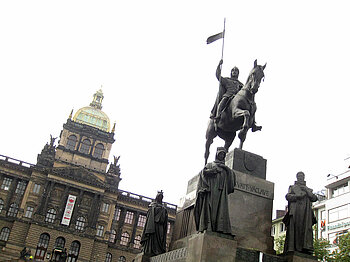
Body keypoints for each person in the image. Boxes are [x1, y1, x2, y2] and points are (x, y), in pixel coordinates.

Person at [194, 147, 236, 235]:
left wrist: (227, 169)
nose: (221, 156)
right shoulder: (210, 164)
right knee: (209, 208)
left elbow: (231, 181)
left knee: (220, 210)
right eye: (220, 154)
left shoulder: (225, 168)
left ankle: (219, 227)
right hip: (211, 190)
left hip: (221, 193)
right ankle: (207, 226)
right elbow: (203, 173)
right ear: (217, 155)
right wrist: (211, 171)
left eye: (223, 155)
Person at [283, 172, 318, 254]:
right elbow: (288, 196)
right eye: (299, 176)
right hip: (295, 211)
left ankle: (305, 248)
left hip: (306, 213)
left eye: (302, 176)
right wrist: (297, 196)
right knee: (294, 229)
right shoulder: (293, 187)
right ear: (296, 177)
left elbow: (314, 198)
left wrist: (306, 191)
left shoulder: (308, 189)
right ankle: (293, 248)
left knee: (306, 229)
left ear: (304, 177)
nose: (300, 177)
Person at [210, 59, 243, 124]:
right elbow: (218, 75)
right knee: (222, 102)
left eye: (236, 70)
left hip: (236, 98)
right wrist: (219, 65)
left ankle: (252, 122)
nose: (234, 72)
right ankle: (218, 116)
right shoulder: (227, 80)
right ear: (231, 72)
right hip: (228, 96)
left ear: (238, 73)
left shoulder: (240, 84)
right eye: (233, 70)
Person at [141, 191, 168, 256]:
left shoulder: (163, 208)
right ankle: (150, 250)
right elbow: (150, 214)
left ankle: (158, 250)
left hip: (160, 226)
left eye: (161, 197)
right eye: (159, 197)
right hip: (153, 225)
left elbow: (165, 217)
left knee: (160, 239)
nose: (160, 198)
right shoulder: (152, 205)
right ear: (157, 197)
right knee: (152, 238)